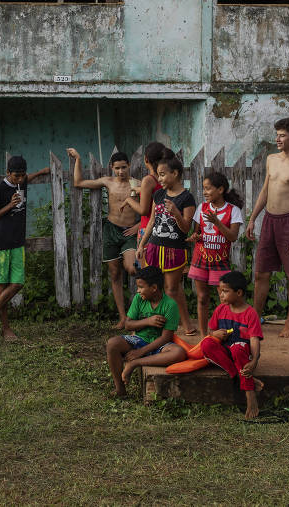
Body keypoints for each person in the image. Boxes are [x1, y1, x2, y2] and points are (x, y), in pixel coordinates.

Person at [245, 117, 289, 338]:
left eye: (282, 135)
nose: (278, 139)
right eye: (277, 134)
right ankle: (255, 319)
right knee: (260, 273)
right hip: (269, 221)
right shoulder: (271, 159)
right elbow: (265, 190)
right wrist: (253, 218)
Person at [66, 148, 140, 328]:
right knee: (115, 273)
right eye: (117, 168)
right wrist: (78, 159)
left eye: (123, 167)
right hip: (111, 230)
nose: (121, 171)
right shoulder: (108, 181)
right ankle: (123, 318)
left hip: (131, 231)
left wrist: (139, 226)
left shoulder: (138, 183)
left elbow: (154, 206)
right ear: (112, 168)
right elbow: (78, 182)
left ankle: (139, 312)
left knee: (132, 268)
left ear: (129, 165)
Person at [0, 155, 50, 340]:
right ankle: (5, 329)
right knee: (3, 287)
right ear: (8, 173)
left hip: (18, 243)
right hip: (1, 244)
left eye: (22, 176)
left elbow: (29, 177)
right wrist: (10, 205)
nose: (20, 179)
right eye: (16, 176)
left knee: (18, 283)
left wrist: (41, 172)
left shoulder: (22, 181)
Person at [137, 151, 198, 335]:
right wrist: (141, 244)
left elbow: (186, 228)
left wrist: (176, 213)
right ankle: (149, 323)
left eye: (162, 174)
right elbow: (151, 222)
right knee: (150, 287)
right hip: (154, 248)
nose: (159, 178)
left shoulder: (187, 198)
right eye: (158, 174)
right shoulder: (159, 195)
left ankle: (179, 325)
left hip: (174, 250)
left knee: (172, 289)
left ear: (175, 173)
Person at [105, 265, 186, 397]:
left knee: (179, 353)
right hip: (138, 340)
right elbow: (128, 325)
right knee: (112, 343)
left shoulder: (170, 305)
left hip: (159, 346)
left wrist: (140, 353)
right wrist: (148, 321)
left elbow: (166, 338)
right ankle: (120, 389)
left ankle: (135, 364)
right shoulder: (139, 299)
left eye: (141, 287)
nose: (138, 291)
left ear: (154, 288)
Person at [200, 271, 263, 419]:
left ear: (239, 292)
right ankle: (242, 377)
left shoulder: (250, 313)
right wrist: (215, 334)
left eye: (225, 291)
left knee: (237, 347)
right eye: (220, 292)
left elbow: (254, 339)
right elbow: (210, 331)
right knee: (206, 344)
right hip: (226, 353)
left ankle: (250, 395)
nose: (221, 295)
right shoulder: (220, 309)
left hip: (242, 353)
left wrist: (254, 361)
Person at [187, 172, 244, 336]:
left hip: (220, 261)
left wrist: (217, 222)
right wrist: (194, 236)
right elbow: (196, 232)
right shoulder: (202, 208)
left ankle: (228, 332)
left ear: (220, 189)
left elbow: (232, 237)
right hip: (200, 258)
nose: (204, 192)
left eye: (208, 188)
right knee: (202, 298)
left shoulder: (233, 211)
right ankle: (204, 336)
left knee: (225, 299)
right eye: (203, 189)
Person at [119, 142, 167, 267]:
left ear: (146, 159)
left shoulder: (148, 180)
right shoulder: (164, 178)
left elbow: (144, 210)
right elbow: (157, 194)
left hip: (147, 229)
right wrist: (141, 190)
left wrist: (129, 200)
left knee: (146, 274)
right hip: (163, 229)